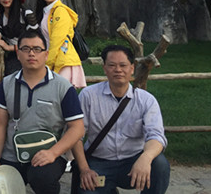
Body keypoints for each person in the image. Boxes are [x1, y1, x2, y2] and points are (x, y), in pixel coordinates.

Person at [0, 29, 85, 194]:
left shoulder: (63, 87)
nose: (31, 54)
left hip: (49, 152)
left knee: (41, 177)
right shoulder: (7, 83)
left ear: (46, 54)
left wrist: (53, 153)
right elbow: (0, 122)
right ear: (18, 54)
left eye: (37, 49)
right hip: (12, 154)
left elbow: (77, 128)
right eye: (26, 49)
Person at [72, 45, 170, 194]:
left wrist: (145, 158)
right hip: (99, 162)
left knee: (159, 165)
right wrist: (84, 169)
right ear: (104, 68)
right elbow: (75, 136)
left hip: (133, 160)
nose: (118, 70)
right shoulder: (88, 96)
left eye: (123, 65)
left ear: (132, 68)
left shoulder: (146, 100)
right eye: (112, 65)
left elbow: (156, 136)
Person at [35, 0, 86, 88]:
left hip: (63, 61)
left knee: (58, 95)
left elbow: (57, 40)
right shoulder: (46, 12)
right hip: (55, 59)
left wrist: (47, 63)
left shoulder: (60, 11)